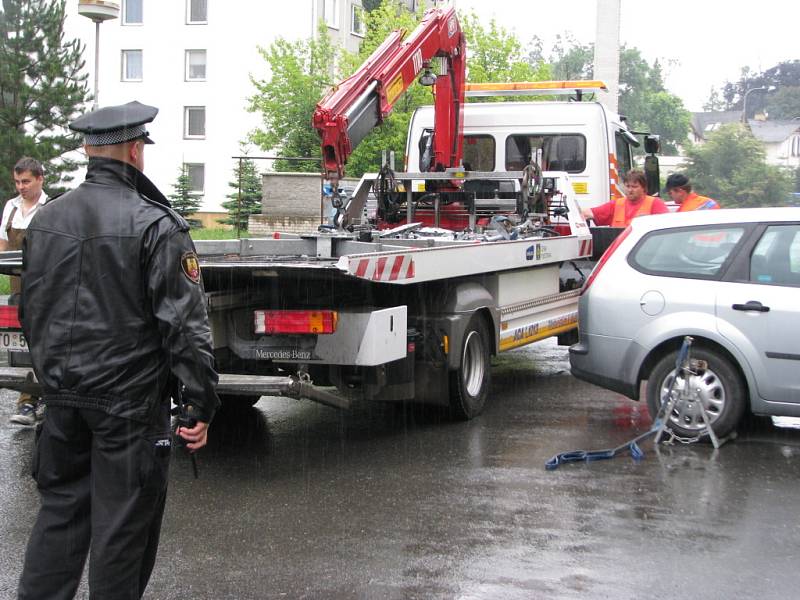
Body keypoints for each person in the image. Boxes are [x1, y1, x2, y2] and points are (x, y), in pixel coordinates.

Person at [17, 101, 220, 600]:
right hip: (128, 408)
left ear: (89, 151)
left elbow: (31, 311)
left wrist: (54, 379)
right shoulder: (158, 225)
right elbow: (187, 328)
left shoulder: (46, 221)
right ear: (136, 150)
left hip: (62, 401)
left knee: (60, 518)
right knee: (121, 534)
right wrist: (200, 403)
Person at [2, 157, 48, 426]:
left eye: (26, 181)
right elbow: (3, 245)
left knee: (41, 347)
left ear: (40, 179)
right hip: (19, 288)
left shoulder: (50, 208)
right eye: (18, 181)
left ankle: (31, 402)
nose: (21, 187)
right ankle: (32, 401)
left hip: (46, 291)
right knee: (26, 347)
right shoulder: (11, 207)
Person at [581, 169, 669, 227]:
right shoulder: (616, 204)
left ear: (644, 188)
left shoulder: (655, 204)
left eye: (634, 187)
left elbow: (667, 227)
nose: (630, 190)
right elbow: (589, 213)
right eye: (627, 186)